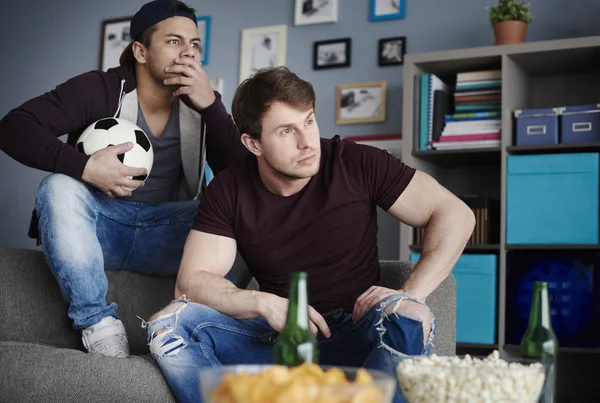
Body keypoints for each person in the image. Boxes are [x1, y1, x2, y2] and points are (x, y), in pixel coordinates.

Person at [144, 67, 475, 403]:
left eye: (309, 121)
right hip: (279, 343)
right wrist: (262, 302)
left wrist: (410, 293)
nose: (307, 142)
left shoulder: (355, 162)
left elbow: (456, 214)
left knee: (410, 316)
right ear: (252, 143)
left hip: (360, 335)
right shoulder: (229, 189)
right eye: (287, 131)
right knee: (168, 325)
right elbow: (191, 283)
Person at [0, 0, 248, 358]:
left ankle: (187, 322)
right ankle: (97, 324)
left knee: (241, 213)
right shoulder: (100, 88)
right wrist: (85, 168)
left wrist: (212, 106)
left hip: (167, 235)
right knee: (58, 186)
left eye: (195, 45)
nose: (188, 54)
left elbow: (243, 179)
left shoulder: (203, 103)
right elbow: (12, 128)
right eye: (175, 42)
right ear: (140, 51)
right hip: (103, 228)